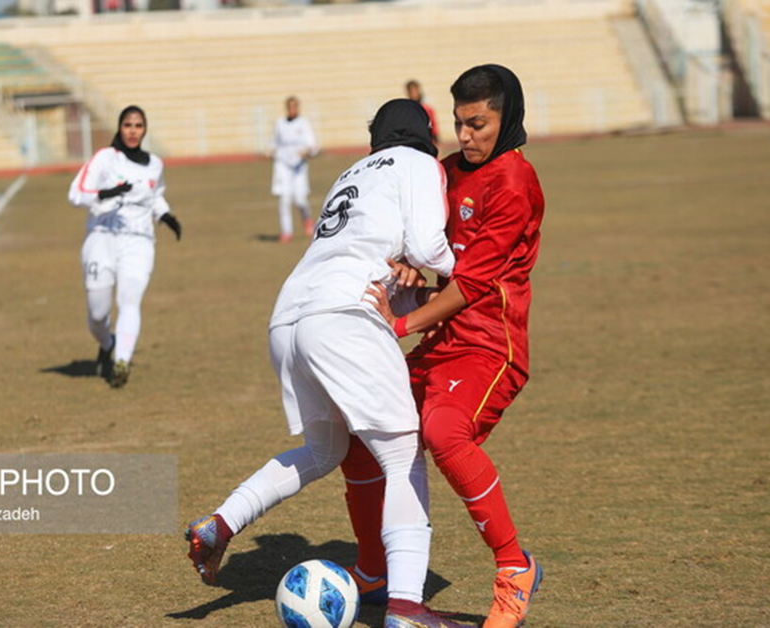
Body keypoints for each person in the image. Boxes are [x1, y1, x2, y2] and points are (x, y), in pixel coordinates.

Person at [186, 100, 477, 628]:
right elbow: (430, 246)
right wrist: (470, 272)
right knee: (402, 455)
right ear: (427, 136)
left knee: (324, 450)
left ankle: (221, 522)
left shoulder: (352, 172)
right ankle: (408, 610)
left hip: (290, 316)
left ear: (376, 139)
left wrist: (410, 279)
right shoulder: (419, 163)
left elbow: (383, 257)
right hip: (344, 313)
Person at [341, 65, 546, 628]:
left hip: (489, 345)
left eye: (479, 124)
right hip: (442, 338)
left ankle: (514, 568)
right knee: (364, 435)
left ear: (507, 120)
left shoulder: (514, 183)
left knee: (442, 431)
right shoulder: (447, 171)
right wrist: (408, 268)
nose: (467, 137)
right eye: (459, 124)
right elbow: (435, 254)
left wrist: (402, 326)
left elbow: (473, 284)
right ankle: (373, 571)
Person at [68, 105, 182, 388]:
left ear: (145, 130)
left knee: (129, 300)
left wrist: (166, 215)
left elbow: (155, 195)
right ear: (120, 127)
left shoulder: (154, 163)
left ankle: (121, 362)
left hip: (139, 240)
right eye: (128, 125)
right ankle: (107, 343)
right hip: (102, 237)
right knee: (97, 314)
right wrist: (109, 191)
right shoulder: (106, 158)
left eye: (139, 126)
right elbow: (76, 193)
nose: (133, 131)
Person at [270, 96, 318, 243]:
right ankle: (286, 232)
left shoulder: (303, 124)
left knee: (300, 200)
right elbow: (274, 143)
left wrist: (307, 152)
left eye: (295, 107)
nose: (292, 110)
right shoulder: (279, 124)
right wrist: (271, 151)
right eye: (290, 107)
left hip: (298, 165)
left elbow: (313, 146)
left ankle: (307, 219)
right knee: (284, 199)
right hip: (283, 164)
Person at [406, 80, 440, 147]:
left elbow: (433, 125)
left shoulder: (426, 108)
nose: (413, 94)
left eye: (414, 91)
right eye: (411, 92)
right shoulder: (407, 109)